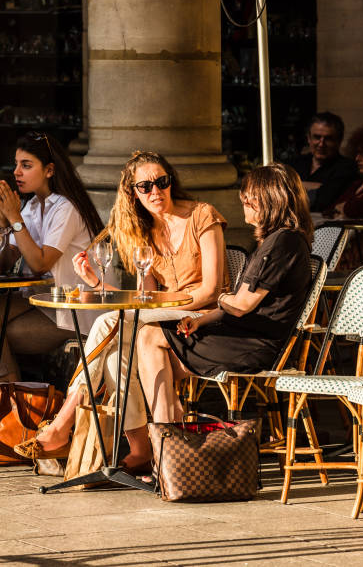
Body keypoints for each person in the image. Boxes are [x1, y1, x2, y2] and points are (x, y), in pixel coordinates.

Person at [14, 151, 229, 472]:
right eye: (145, 186)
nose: (155, 191)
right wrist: (96, 283)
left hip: (202, 321)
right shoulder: (145, 232)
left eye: (162, 182)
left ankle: (61, 423)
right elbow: (144, 299)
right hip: (161, 320)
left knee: (107, 321)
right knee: (115, 358)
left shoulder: (202, 215)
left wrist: (166, 303)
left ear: (172, 182)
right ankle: (142, 449)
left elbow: (211, 290)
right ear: (132, 193)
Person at [136, 163, 313, 423]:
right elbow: (238, 304)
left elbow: (241, 305)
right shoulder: (280, 240)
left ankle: (166, 433)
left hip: (256, 344)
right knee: (148, 362)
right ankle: (170, 434)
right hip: (246, 335)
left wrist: (216, 296)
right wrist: (201, 320)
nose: (243, 203)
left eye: (248, 198)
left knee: (149, 338)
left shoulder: (282, 242)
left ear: (267, 200)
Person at [0, 131, 106, 381]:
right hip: (43, 302)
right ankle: (12, 403)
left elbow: (39, 262)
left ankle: (11, 403)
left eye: (26, 165)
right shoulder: (33, 206)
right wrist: (4, 225)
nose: (17, 172)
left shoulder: (66, 207)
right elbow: (6, 260)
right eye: (16, 164)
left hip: (74, 309)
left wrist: (15, 220)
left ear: (49, 170)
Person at [284, 112, 358, 212]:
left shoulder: (347, 168)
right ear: (309, 138)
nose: (321, 144)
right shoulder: (293, 164)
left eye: (328, 139)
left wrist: (292, 185)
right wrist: (317, 187)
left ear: (339, 141)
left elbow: (323, 201)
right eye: (317, 137)